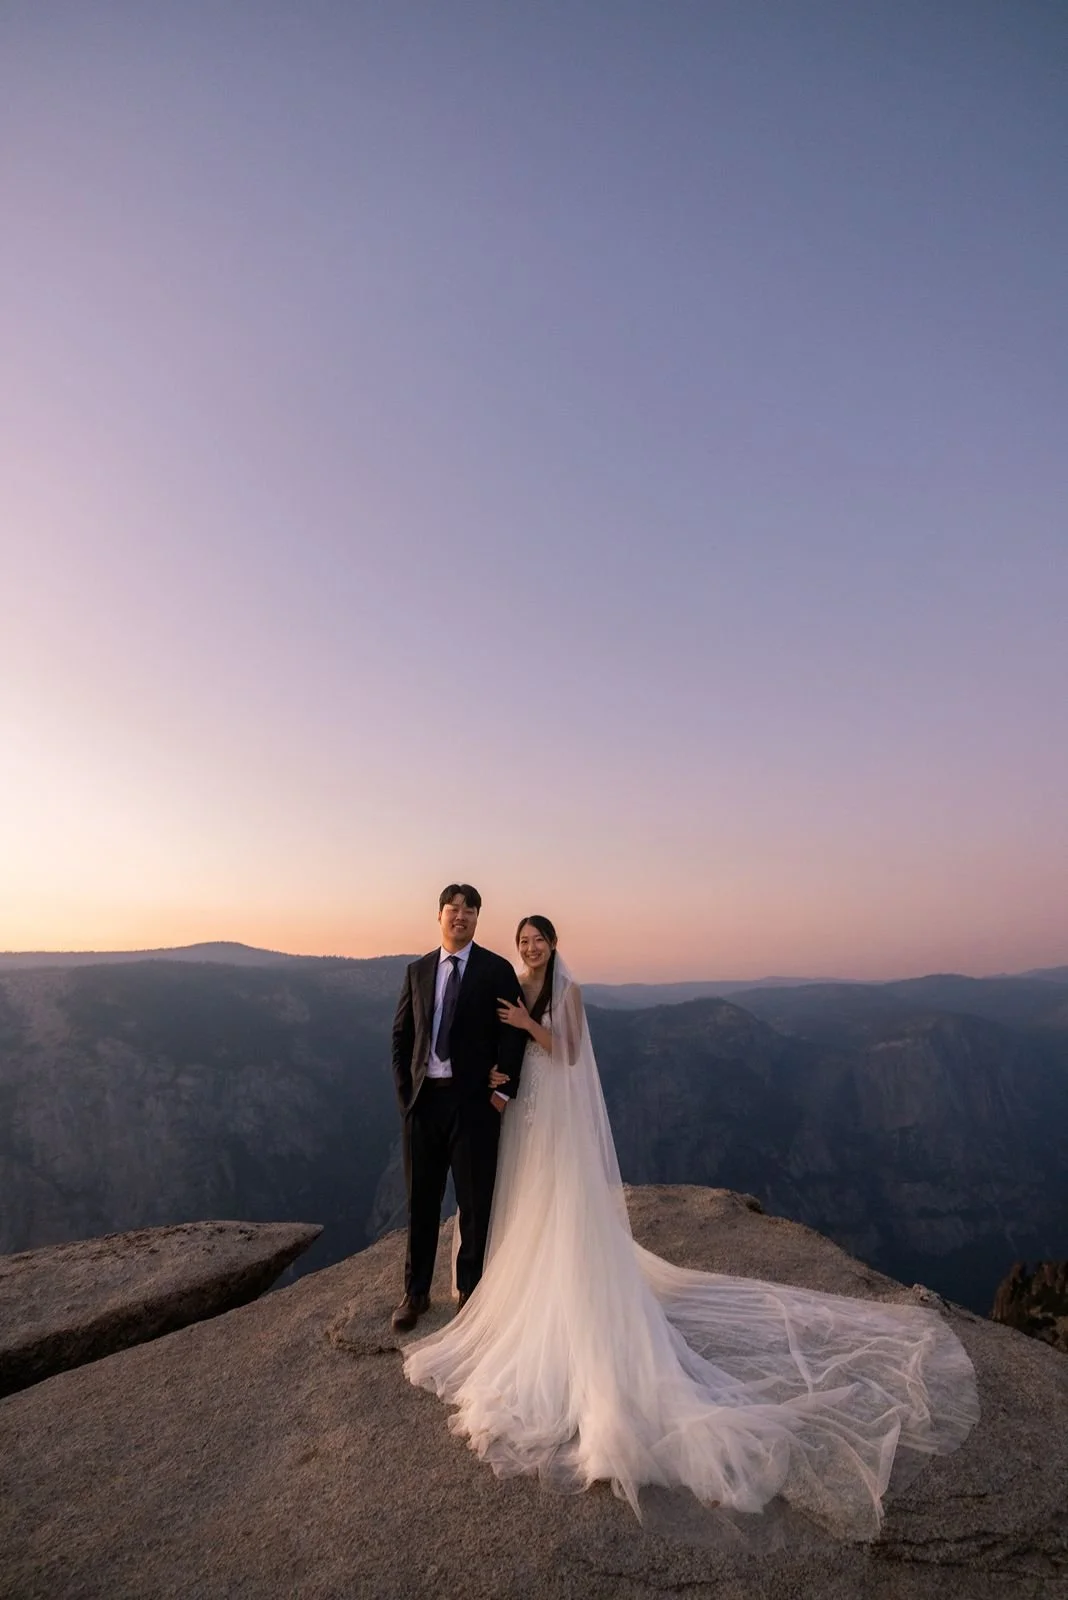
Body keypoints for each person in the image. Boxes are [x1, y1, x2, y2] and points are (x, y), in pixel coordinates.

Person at [403, 916, 980, 1541]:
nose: (530, 948)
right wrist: (498, 1069)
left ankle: (556, 1294)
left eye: (537, 940)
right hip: (523, 1109)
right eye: (524, 942)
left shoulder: (566, 991)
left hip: (554, 1112)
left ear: (553, 944)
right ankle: (510, 1287)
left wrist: (525, 1027)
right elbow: (494, 1040)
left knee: (555, 1205)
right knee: (516, 1201)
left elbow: (566, 1051)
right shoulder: (512, 980)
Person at [389, 884, 526, 1333]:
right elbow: (402, 1038)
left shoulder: (496, 969)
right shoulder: (418, 970)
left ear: (477, 919)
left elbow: (513, 1033)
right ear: (439, 916)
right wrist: (406, 1098)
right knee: (420, 1202)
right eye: (452, 909)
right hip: (425, 1103)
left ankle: (470, 1292)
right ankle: (416, 1294)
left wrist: (502, 1092)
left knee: (474, 1202)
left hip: (474, 1106)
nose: (460, 917)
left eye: (469, 910)